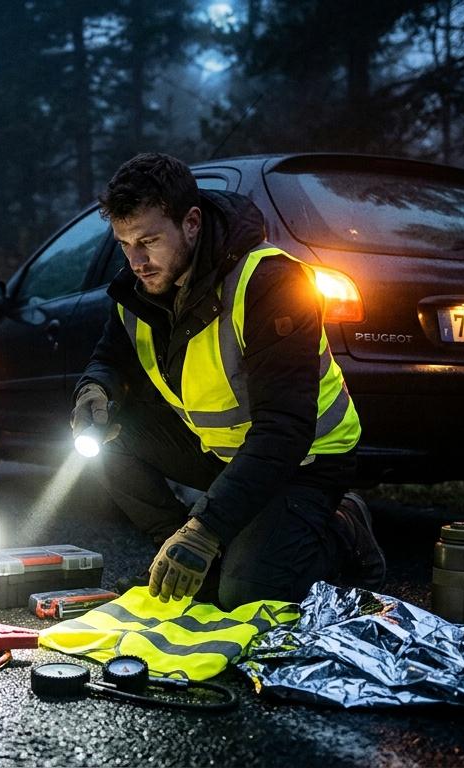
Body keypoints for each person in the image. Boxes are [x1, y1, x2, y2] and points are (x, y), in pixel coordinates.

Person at [72, 152, 385, 610]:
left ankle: (344, 528)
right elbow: (109, 357)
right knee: (104, 437)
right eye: (124, 243)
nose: (136, 261)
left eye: (149, 240)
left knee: (249, 595)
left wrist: (207, 529)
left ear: (192, 222)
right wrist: (93, 390)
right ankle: (183, 551)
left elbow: (286, 430)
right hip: (224, 452)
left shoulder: (269, 281)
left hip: (306, 461)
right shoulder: (138, 291)